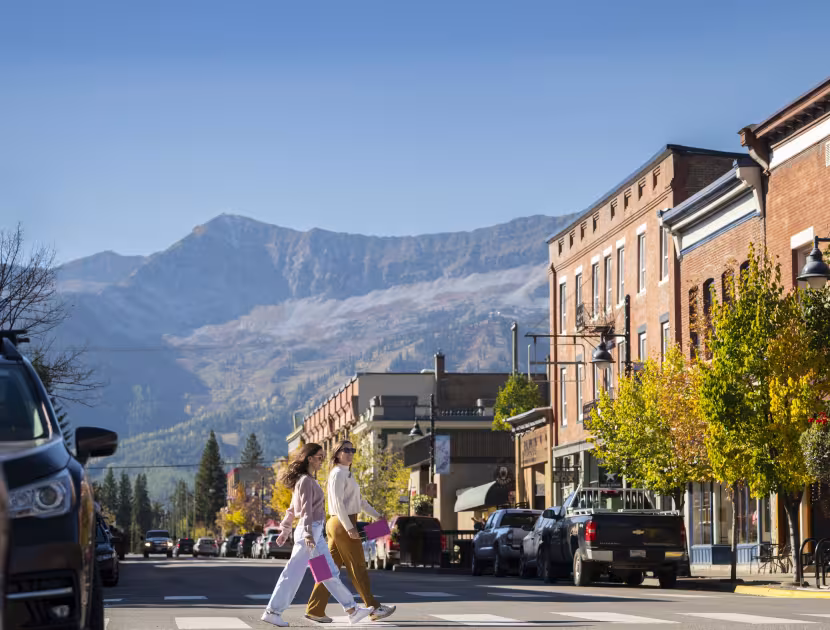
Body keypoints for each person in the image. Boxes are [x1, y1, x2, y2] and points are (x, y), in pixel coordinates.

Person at [261, 443, 373, 627]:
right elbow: (305, 511)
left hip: (313, 532)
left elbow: (291, 509)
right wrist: (307, 534)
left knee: (327, 572)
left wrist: (285, 529)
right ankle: (272, 611)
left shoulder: (305, 480)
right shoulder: (305, 481)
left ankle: (352, 609)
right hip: (310, 532)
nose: (322, 460)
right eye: (319, 457)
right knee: (294, 572)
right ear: (309, 458)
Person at [305, 440, 397, 623]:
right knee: (358, 567)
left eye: (352, 450)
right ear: (337, 453)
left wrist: (378, 516)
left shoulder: (348, 474)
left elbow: (360, 502)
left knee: (329, 571)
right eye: (345, 450)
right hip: (342, 522)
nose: (350, 453)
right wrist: (349, 528)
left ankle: (315, 609)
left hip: (339, 523)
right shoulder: (337, 474)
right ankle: (374, 608)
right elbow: (338, 504)